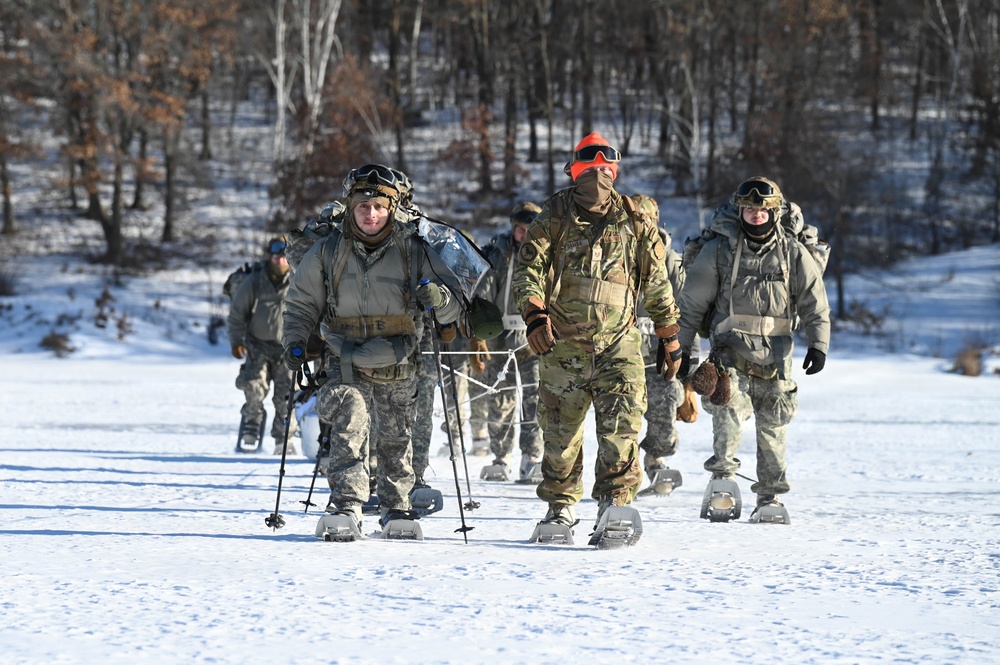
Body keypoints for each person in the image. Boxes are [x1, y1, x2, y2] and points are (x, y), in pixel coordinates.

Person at [511, 131, 682, 537]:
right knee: (559, 434)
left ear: (616, 173)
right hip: (561, 343)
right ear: (575, 172)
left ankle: (615, 505)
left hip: (619, 343)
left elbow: (656, 280)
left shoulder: (636, 218)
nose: (598, 178)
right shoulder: (553, 214)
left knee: (622, 428)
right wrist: (535, 316)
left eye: (606, 171)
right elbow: (528, 270)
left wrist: (669, 335)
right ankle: (560, 508)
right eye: (590, 171)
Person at [280, 164, 463, 533]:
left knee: (396, 436)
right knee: (350, 424)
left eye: (379, 206)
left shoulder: (416, 248)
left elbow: (455, 306)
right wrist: (296, 342)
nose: (371, 213)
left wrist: (438, 298)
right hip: (343, 357)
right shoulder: (326, 250)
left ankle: (397, 508)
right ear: (350, 206)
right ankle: (347, 505)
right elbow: (301, 303)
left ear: (391, 208)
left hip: (398, 358)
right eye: (363, 205)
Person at [676, 176, 830, 519]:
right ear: (740, 211)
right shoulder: (720, 251)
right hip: (729, 350)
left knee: (774, 426)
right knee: (728, 412)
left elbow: (814, 302)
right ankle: (723, 483)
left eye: (762, 209)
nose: (755, 214)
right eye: (749, 208)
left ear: (774, 211)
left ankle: (771, 497)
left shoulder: (793, 253)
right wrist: (683, 349)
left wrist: (818, 344)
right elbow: (691, 304)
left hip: (777, 356)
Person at [470, 201, 545, 483]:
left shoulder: (547, 256)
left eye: (530, 230)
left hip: (535, 340)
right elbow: (483, 295)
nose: (524, 235)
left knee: (536, 400)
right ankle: (501, 457)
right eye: (520, 229)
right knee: (500, 400)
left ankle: (532, 457)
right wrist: (478, 336)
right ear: (513, 228)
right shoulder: (497, 255)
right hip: (500, 338)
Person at [632, 194, 687, 494]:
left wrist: (688, 369)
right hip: (622, 351)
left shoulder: (671, 261)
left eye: (646, 221)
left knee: (665, 410)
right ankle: (625, 474)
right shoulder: (617, 254)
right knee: (623, 416)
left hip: (659, 353)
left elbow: (686, 312)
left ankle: (656, 460)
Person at [227, 236, 298, 454]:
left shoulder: (300, 280)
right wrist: (236, 341)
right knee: (254, 385)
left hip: (288, 346)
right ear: (269, 256)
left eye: (284, 256)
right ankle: (252, 422)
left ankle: (284, 436)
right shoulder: (255, 281)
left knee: (287, 395)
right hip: (258, 345)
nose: (279, 260)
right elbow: (237, 313)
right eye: (276, 256)